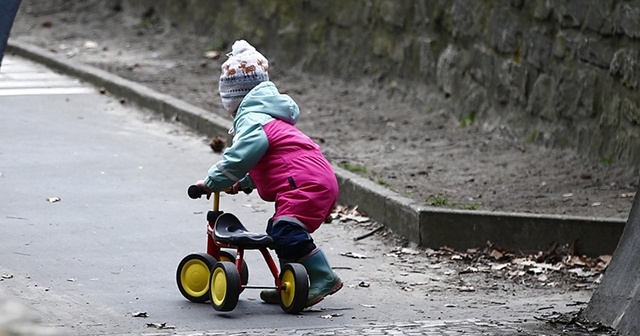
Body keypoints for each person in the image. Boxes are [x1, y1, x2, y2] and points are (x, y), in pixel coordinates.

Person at [194, 40, 342, 307]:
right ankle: (288, 283)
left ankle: (324, 276)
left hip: (304, 183)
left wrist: (212, 181)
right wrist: (242, 183)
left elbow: (244, 154)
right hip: (311, 178)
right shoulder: (269, 117)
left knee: (285, 231)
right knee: (280, 228)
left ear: (233, 97)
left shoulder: (252, 119)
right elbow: (273, 161)